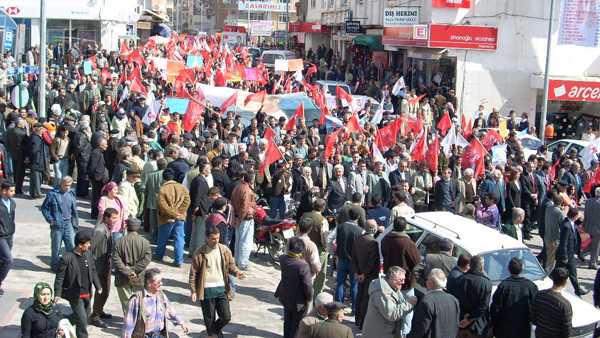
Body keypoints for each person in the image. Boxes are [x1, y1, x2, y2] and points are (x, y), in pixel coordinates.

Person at [189, 225, 246, 338]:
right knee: (209, 318)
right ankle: (214, 334)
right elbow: (193, 274)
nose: (216, 241)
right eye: (213, 239)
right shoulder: (199, 253)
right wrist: (193, 290)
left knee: (226, 316)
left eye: (218, 238)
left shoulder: (224, 250)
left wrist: (237, 272)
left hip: (222, 288)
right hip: (206, 290)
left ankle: (212, 333)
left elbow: (231, 266)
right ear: (206, 238)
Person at [54, 230, 102, 338]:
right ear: (80, 245)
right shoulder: (67, 258)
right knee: (82, 321)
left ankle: (64, 321)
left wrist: (98, 286)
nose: (89, 245)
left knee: (85, 315)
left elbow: (93, 271)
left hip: (87, 292)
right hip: (75, 294)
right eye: (87, 243)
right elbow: (59, 277)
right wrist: (57, 293)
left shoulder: (88, 255)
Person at [122, 268, 190, 338]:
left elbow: (170, 311)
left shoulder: (161, 295)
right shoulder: (136, 300)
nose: (161, 283)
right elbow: (128, 326)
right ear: (149, 283)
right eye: (158, 282)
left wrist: (181, 323)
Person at [380, 216, 420, 334]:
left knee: (390, 309)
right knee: (407, 310)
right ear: (405, 227)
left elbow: (384, 253)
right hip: (405, 283)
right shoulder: (408, 243)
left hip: (389, 281)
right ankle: (403, 333)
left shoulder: (385, 239)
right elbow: (417, 262)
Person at [275, 237, 313, 338]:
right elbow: (307, 286)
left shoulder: (283, 259)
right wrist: (309, 298)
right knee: (296, 325)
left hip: (286, 297)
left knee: (287, 321)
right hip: (299, 301)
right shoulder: (303, 265)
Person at [490, 257, 538, 338]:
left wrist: (494, 324)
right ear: (522, 269)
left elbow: (495, 309)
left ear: (508, 269)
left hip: (504, 330)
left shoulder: (503, 286)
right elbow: (536, 308)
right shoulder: (531, 286)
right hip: (523, 329)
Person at [362, 266, 416, 338]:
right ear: (391, 278)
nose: (403, 282)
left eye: (404, 280)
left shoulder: (393, 287)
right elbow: (391, 314)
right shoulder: (381, 292)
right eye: (401, 280)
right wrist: (409, 304)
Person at [113, 218, 152, 315]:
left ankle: (129, 322)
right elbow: (147, 259)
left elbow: (116, 259)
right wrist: (134, 270)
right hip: (138, 277)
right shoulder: (145, 242)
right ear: (138, 228)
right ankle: (138, 322)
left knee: (127, 303)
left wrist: (128, 271)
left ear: (127, 227)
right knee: (139, 301)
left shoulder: (119, 242)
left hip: (122, 277)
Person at [408, 269, 460, 338]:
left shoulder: (426, 301)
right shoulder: (454, 300)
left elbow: (420, 330)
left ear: (431, 283)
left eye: (427, 279)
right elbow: (456, 325)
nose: (426, 282)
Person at [41, 176, 79, 272]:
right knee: (56, 247)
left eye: (69, 185)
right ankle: (55, 267)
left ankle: (70, 266)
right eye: (66, 185)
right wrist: (50, 219)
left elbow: (74, 211)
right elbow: (44, 208)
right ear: (61, 184)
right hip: (57, 224)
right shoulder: (52, 194)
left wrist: (75, 224)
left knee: (71, 245)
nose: (67, 187)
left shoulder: (71, 194)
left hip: (68, 223)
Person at [448, 255, 491, 338]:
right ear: (482, 266)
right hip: (477, 326)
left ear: (470, 265)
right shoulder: (486, 283)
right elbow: (484, 306)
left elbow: (454, 301)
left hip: (460, 323)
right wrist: (470, 318)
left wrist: (466, 318)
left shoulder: (460, 280)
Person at [155, 168, 191, 267]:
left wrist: (173, 214)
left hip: (166, 218)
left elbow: (162, 205)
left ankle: (159, 256)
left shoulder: (162, 189)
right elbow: (187, 201)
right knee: (179, 239)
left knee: (162, 238)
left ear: (164, 178)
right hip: (180, 218)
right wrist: (179, 213)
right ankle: (179, 260)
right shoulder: (182, 188)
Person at [90, 207, 118, 327]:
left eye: (116, 217)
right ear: (106, 218)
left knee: (106, 290)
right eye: (113, 218)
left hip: (106, 264)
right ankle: (95, 316)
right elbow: (90, 248)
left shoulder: (108, 228)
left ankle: (99, 310)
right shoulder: (100, 231)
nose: (116, 220)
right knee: (101, 290)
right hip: (98, 266)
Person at [334, 208, 364, 314]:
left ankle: (338, 307)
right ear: (358, 217)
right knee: (354, 285)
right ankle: (354, 309)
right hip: (353, 262)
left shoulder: (340, 227)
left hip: (342, 259)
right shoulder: (360, 231)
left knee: (340, 284)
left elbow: (337, 242)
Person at [351, 220, 379, 329]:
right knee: (365, 299)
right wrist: (364, 274)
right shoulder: (373, 243)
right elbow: (372, 262)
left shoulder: (357, 239)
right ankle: (362, 322)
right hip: (368, 275)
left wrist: (356, 272)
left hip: (359, 273)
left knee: (359, 296)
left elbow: (353, 258)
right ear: (373, 228)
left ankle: (357, 319)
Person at [531, 267, 573, 338]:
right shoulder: (565, 305)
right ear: (565, 281)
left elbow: (534, 319)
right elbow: (567, 331)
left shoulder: (539, 295)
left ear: (552, 278)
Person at [557, 206, 589, 296]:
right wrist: (565, 257)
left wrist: (580, 220)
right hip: (567, 254)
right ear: (574, 216)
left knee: (561, 270)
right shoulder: (566, 226)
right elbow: (564, 243)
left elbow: (575, 225)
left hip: (570, 253)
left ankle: (577, 289)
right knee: (572, 272)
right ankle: (577, 290)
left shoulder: (570, 222)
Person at [230, 171, 256, 270]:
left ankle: (237, 261)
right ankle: (243, 263)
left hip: (238, 216)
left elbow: (232, 201)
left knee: (238, 240)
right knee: (246, 241)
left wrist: (236, 217)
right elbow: (245, 206)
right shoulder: (247, 189)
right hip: (245, 218)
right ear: (252, 180)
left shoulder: (238, 187)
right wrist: (240, 218)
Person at [0, 181, 16, 293]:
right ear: (4, 191)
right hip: (1, 236)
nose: (13, 193)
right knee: (8, 260)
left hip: (9, 235)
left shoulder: (12, 202)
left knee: (2, 261)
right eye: (11, 190)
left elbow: (12, 219)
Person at [88, 137, 109, 219]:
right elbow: (92, 166)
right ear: (101, 144)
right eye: (105, 144)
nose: (107, 145)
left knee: (98, 196)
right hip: (97, 179)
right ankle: (94, 213)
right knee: (96, 197)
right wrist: (94, 177)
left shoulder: (100, 152)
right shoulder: (96, 153)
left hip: (100, 178)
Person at [545, 192, 565, 273]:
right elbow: (563, 224)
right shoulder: (559, 212)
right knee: (551, 259)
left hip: (547, 236)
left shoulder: (549, 207)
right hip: (554, 238)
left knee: (549, 256)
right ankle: (548, 273)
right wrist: (564, 212)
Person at [29, 123, 49, 199]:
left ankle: (33, 193)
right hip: (37, 160)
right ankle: (37, 193)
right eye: (41, 129)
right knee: (37, 178)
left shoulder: (36, 136)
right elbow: (34, 149)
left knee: (35, 177)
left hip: (37, 160)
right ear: (37, 129)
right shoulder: (35, 137)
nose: (42, 131)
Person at [585, 187, 600, 269]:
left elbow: (586, 214)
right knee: (596, 246)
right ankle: (592, 263)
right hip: (598, 228)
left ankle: (583, 253)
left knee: (593, 244)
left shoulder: (588, 201)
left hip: (589, 226)